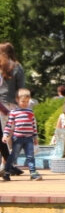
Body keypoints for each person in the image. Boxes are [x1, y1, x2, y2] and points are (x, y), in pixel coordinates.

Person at [3, 89, 41, 180]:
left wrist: (35, 137)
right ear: (17, 100)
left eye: (27, 102)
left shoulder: (30, 112)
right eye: (23, 101)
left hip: (29, 138)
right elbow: (9, 125)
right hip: (17, 138)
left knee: (30, 156)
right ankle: (7, 172)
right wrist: (5, 135)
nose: (25, 103)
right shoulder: (14, 112)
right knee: (13, 156)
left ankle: (33, 173)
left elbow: (33, 125)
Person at [0, 42, 25, 176]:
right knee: (10, 135)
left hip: (0, 105)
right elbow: (21, 88)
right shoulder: (17, 67)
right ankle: (8, 165)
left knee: (3, 136)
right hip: (11, 105)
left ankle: (6, 164)